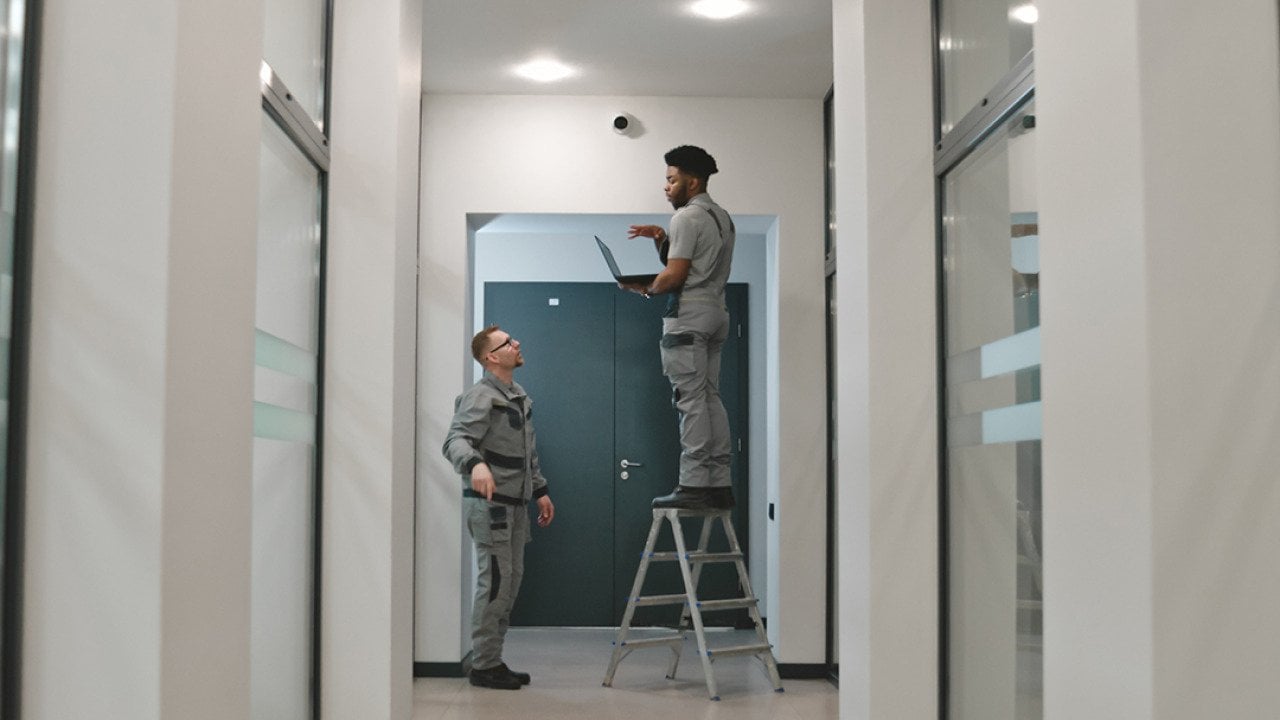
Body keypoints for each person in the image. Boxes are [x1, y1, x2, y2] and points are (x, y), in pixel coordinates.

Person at [621, 145, 736, 511]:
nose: (666, 187)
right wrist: (660, 238)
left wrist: (646, 288)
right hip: (717, 313)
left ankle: (693, 484)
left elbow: (675, 276)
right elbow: (702, 261)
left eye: (672, 180)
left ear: (693, 181)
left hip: (689, 316)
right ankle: (719, 483)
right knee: (709, 397)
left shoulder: (686, 217)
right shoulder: (722, 217)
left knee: (689, 401)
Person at [442, 326, 556, 690]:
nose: (516, 343)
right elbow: (455, 440)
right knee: (495, 585)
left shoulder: (517, 396)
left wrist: (540, 490)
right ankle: (484, 665)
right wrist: (474, 463)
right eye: (507, 342)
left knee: (509, 583)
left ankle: (493, 660)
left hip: (515, 506)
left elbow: (527, 452)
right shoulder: (480, 396)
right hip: (490, 509)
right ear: (491, 357)